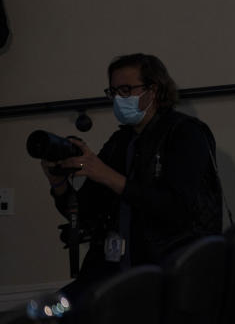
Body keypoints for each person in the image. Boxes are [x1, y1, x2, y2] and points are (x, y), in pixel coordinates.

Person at [41, 53, 222, 291]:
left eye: (126, 90)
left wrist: (108, 175)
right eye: (113, 92)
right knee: (48, 313)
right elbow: (84, 215)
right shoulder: (120, 141)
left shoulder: (185, 133)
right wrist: (58, 184)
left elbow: (177, 209)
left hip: (167, 269)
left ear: (153, 91)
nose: (119, 98)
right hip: (112, 269)